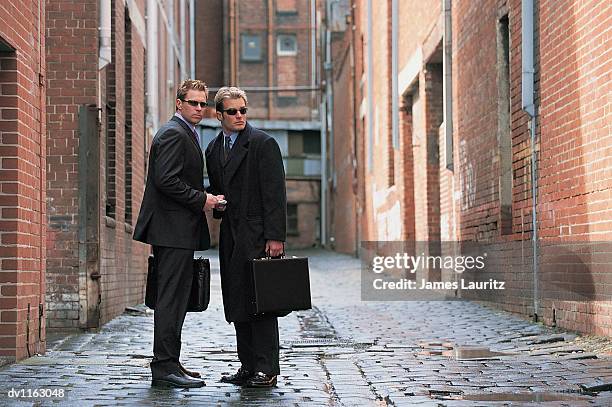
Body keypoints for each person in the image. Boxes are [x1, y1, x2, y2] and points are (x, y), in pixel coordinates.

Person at [133, 79, 223, 388]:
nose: (199, 108)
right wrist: (203, 200)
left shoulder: (186, 133)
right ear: (179, 103)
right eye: (193, 103)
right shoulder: (173, 133)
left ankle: (171, 362)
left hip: (177, 230)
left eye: (203, 104)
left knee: (176, 298)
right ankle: (164, 368)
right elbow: (166, 180)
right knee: (170, 299)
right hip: (170, 230)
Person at [205, 86, 287, 388]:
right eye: (232, 111)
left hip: (257, 235)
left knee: (261, 301)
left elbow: (275, 194)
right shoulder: (212, 150)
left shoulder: (263, 144)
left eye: (243, 110)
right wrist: (218, 205)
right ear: (219, 115)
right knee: (237, 300)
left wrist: (275, 237)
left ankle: (267, 368)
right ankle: (247, 366)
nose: (239, 116)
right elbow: (218, 192)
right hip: (231, 235)